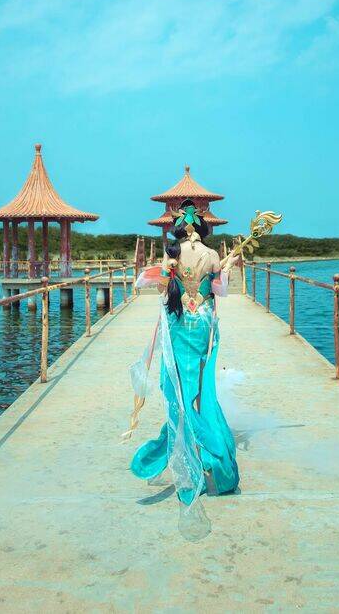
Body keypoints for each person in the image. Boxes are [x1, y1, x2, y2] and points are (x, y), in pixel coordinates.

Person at [126, 199, 240, 536]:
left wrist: (172, 276)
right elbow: (219, 290)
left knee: (177, 389)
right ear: (203, 227)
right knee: (198, 391)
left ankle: (188, 454)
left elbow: (163, 289)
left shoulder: (172, 254)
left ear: (178, 227)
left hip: (178, 325)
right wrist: (227, 266)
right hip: (201, 322)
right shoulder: (212, 255)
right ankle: (207, 457)